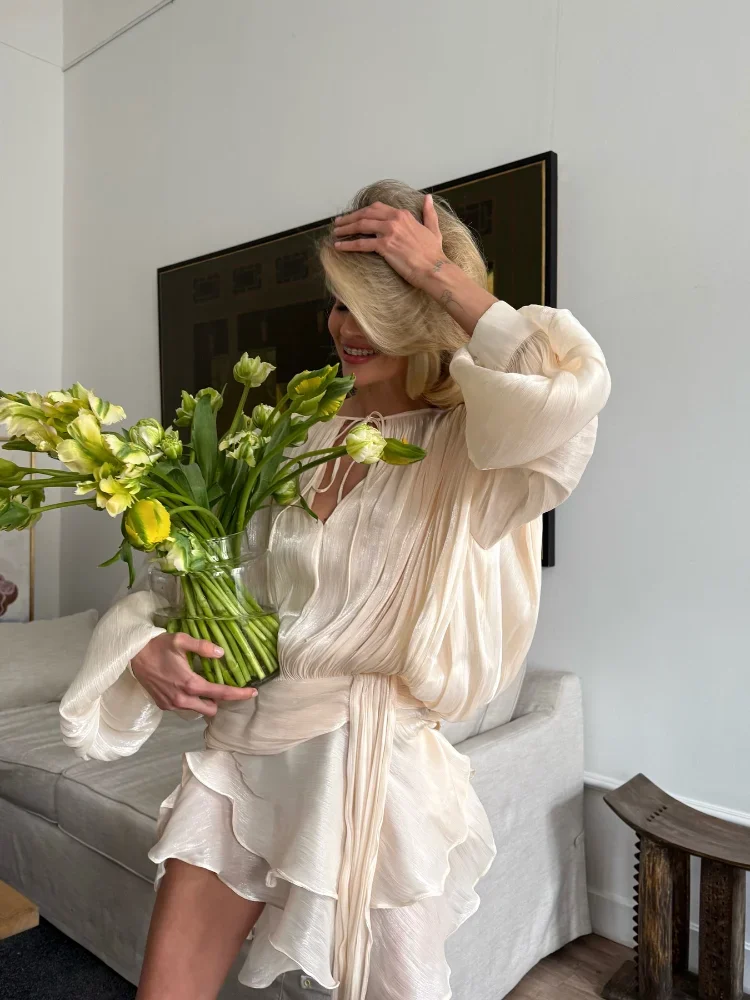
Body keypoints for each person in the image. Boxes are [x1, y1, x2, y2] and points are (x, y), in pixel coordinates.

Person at [60, 179, 611, 1000]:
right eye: (340, 303)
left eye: (375, 304)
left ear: (426, 310)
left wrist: (443, 279)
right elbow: (188, 581)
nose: (346, 328)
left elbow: (567, 393)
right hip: (242, 748)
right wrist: (147, 648)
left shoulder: (479, 452)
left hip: (371, 770)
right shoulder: (288, 437)